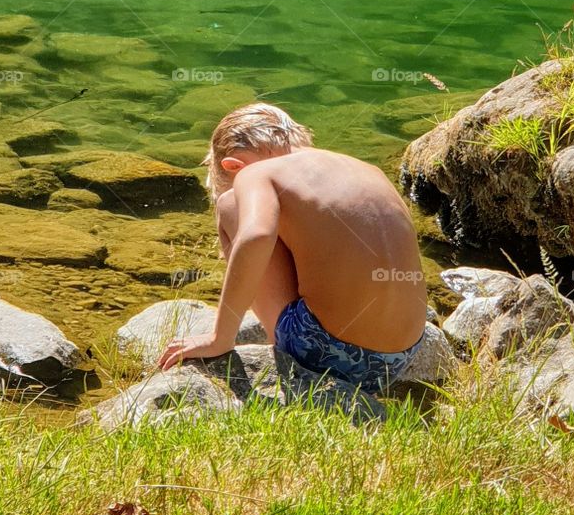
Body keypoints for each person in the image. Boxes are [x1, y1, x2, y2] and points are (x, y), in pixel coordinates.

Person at [158, 103, 427, 392]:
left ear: (234, 165)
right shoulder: (366, 168)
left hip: (329, 355)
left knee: (231, 205)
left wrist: (220, 338)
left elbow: (256, 236)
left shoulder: (257, 172)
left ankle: (279, 347)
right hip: (401, 356)